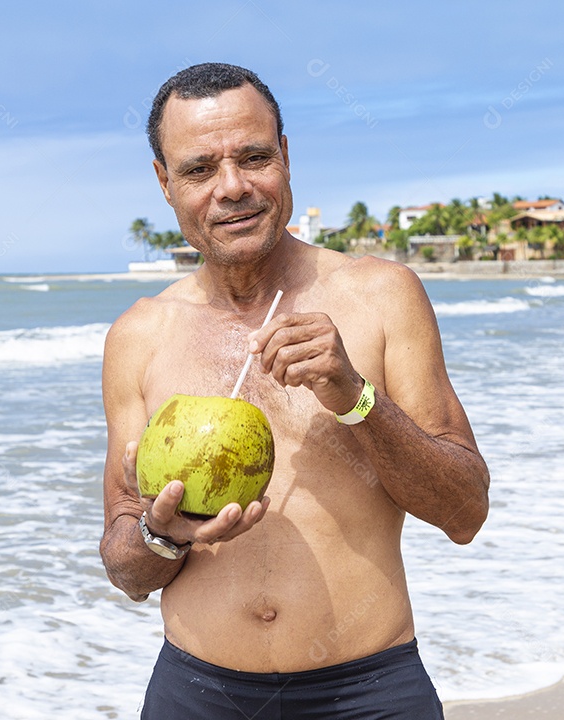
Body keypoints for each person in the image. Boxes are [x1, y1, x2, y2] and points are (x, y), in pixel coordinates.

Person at [100, 62, 490, 719]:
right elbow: (124, 567)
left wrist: (356, 397)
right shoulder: (139, 334)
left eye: (254, 157)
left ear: (285, 155)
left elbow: (465, 511)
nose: (233, 188)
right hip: (197, 695)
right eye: (200, 169)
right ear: (165, 182)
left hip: (367, 694)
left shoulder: (380, 296)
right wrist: (163, 536)